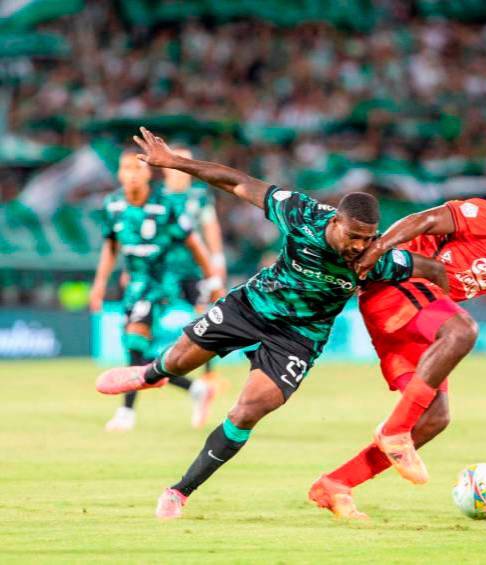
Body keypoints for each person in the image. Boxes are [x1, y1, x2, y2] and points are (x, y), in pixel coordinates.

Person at [95, 128, 450, 519]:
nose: (359, 247)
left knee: (247, 411)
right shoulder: (302, 214)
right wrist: (176, 162)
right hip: (252, 305)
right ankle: (151, 373)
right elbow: (237, 182)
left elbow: (432, 269)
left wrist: (452, 302)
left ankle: (180, 491)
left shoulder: (375, 258)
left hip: (298, 340)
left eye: (367, 240)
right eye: (354, 237)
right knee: (178, 362)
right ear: (335, 222)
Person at [308, 191, 486, 519]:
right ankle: (393, 431)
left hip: (415, 316)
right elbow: (423, 220)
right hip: (398, 283)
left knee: (434, 418)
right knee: (462, 330)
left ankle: (335, 484)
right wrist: (380, 248)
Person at [90, 150, 223, 432]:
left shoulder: (166, 204)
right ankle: (194, 388)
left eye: (137, 169)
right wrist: (100, 283)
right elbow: (111, 246)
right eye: (126, 169)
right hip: (135, 283)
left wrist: (212, 280)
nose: (132, 174)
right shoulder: (112, 204)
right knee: (140, 352)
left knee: (135, 341)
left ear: (149, 173)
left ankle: (126, 412)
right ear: (119, 174)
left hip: (162, 282)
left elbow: (194, 243)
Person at [163, 145, 226, 394]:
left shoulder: (199, 197)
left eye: (185, 164)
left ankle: (208, 376)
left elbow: (211, 230)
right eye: (176, 164)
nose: (182, 170)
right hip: (165, 269)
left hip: (195, 269)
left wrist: (217, 263)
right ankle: (159, 364)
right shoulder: (159, 197)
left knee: (205, 318)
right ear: (166, 169)